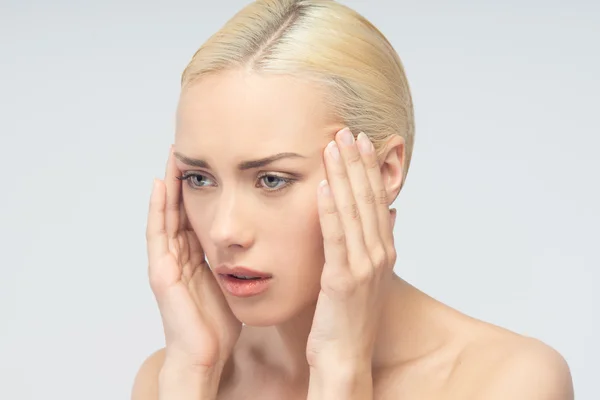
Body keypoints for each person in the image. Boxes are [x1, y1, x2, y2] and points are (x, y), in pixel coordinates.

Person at [132, 0, 574, 399]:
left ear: (384, 173)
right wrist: (194, 373)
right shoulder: (174, 378)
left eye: (271, 180)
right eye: (199, 178)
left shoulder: (506, 382)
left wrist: (340, 372)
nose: (224, 231)